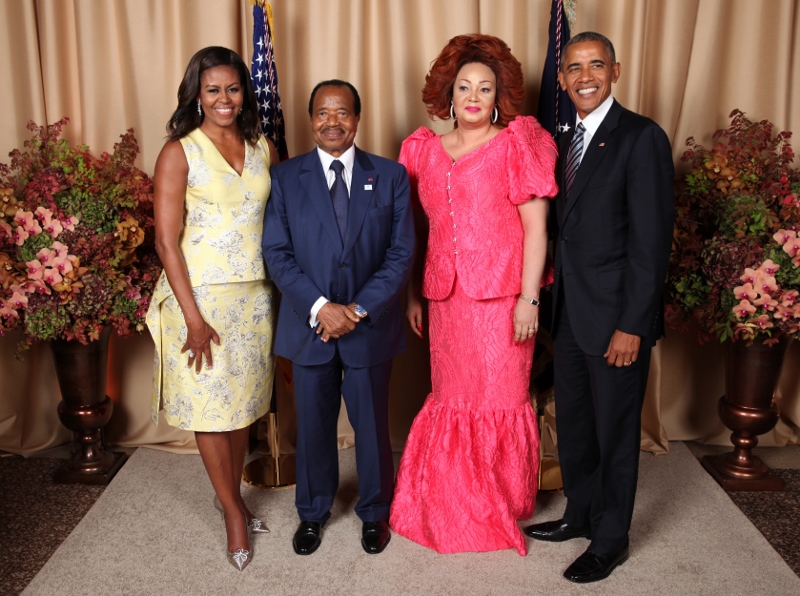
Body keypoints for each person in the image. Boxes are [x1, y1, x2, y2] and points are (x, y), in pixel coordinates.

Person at [389, 34, 558, 555]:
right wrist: (413, 295)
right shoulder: (422, 150)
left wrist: (530, 298)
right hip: (447, 301)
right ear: (449, 92)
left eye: (485, 88)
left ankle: (496, 504)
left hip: (504, 299)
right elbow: (415, 231)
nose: (473, 97)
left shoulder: (516, 144)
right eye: (464, 87)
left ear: (499, 96)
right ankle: (448, 501)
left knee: (501, 398)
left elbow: (537, 229)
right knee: (454, 397)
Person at [523, 32, 675, 583]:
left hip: (615, 321)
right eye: (573, 67)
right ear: (560, 78)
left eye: (595, 65)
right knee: (579, 427)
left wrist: (633, 325)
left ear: (615, 70)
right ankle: (581, 514)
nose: (584, 76)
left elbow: (650, 245)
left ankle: (611, 540)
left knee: (614, 434)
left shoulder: (641, 137)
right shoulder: (560, 139)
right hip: (569, 317)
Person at [262, 80, 414, 556]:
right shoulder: (286, 177)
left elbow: (401, 252)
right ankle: (312, 512)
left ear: (357, 118)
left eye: (342, 112)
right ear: (311, 120)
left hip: (369, 324)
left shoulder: (390, 176)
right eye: (323, 113)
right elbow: (277, 252)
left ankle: (374, 512)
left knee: (371, 424)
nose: (333, 121)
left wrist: (357, 309)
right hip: (310, 326)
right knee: (311, 425)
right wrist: (320, 308)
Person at [146, 46, 278, 572]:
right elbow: (165, 242)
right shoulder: (180, 151)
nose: (224, 99)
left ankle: (237, 498)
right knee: (209, 409)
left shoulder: (261, 144)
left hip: (254, 297)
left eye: (233, 88)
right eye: (213, 90)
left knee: (242, 404)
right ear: (196, 96)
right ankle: (232, 514)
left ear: (244, 92)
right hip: (198, 298)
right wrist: (194, 319)